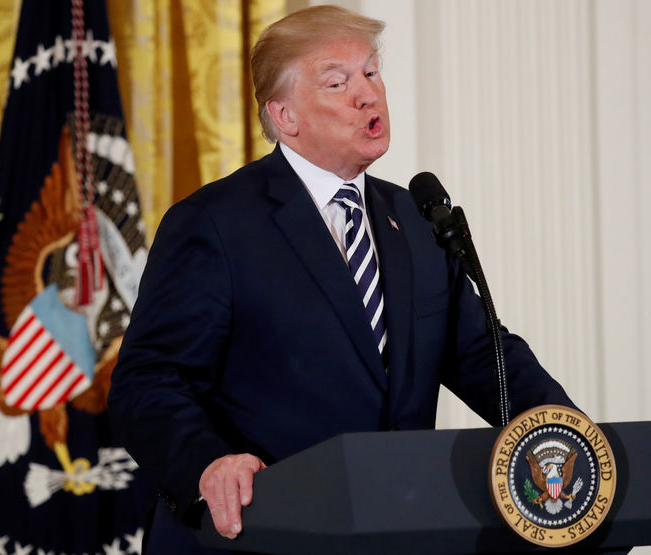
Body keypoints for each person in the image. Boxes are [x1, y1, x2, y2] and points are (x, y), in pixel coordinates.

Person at [108, 5, 573, 553]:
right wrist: (207, 462)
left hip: (391, 532)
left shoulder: (416, 220)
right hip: (257, 536)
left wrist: (575, 441)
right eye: (338, 82)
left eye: (371, 73)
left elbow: (484, 357)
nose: (367, 94)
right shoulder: (215, 223)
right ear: (285, 116)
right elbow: (148, 380)